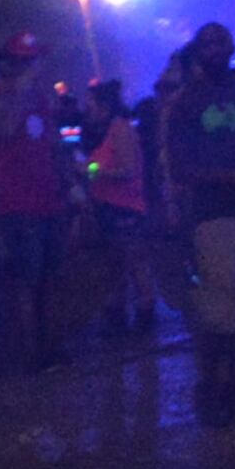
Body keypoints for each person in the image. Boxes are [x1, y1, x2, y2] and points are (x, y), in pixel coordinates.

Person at [160, 24, 235, 422]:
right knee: (218, 312)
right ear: (198, 51)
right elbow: (180, 168)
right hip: (212, 216)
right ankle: (211, 391)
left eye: (221, 42)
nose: (215, 49)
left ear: (230, 47)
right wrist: (231, 177)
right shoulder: (187, 103)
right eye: (207, 43)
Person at [0, 40, 70, 371]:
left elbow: (52, 142)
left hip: (48, 200)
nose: (39, 67)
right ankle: (29, 353)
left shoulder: (41, 96)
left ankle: (49, 345)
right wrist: (21, 91)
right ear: (16, 64)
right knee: (25, 280)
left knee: (49, 278)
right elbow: (2, 129)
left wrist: (68, 183)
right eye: (33, 61)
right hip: (18, 204)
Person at [80, 75, 161, 340]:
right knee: (117, 263)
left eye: (91, 105)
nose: (88, 110)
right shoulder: (109, 131)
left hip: (125, 207)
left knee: (133, 262)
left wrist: (93, 170)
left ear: (104, 107)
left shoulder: (120, 129)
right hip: (111, 207)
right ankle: (122, 313)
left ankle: (145, 312)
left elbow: (128, 169)